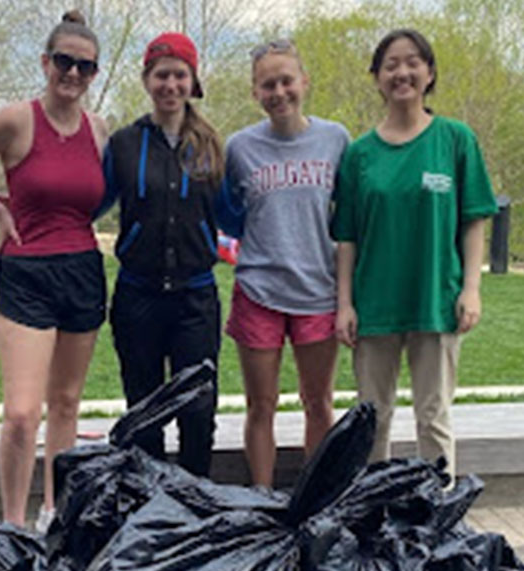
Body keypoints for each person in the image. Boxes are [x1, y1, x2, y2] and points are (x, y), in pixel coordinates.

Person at [0, 10, 108, 530]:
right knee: (21, 414)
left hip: (82, 270)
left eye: (85, 66)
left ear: (95, 74)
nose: (73, 74)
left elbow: (95, 198)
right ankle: (13, 524)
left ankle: (55, 514)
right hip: (27, 273)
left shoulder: (99, 130)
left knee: (68, 403)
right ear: (45, 62)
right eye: (64, 62)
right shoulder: (17, 120)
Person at [332, 28, 497, 484]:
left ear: (429, 73)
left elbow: (473, 220)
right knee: (373, 419)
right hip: (374, 306)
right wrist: (344, 303)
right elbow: (346, 236)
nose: (401, 72)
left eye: (412, 62)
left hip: (435, 300)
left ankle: (438, 514)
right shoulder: (360, 155)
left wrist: (471, 289)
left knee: (433, 416)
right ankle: (372, 514)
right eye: (390, 64)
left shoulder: (455, 140)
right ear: (377, 78)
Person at [216, 39, 349, 487]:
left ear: (304, 82)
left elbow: (347, 219)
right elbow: (225, 212)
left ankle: (317, 495)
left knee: (318, 401)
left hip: (318, 289)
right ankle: (263, 498)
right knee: (261, 405)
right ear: (256, 92)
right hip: (259, 290)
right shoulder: (239, 148)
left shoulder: (335, 139)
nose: (279, 92)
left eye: (286, 81)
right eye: (267, 84)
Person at [97, 32, 224, 477]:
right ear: (147, 80)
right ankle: (149, 504)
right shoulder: (125, 144)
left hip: (195, 298)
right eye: (161, 75)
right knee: (145, 406)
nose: (170, 85)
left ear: (192, 81)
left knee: (198, 407)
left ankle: (196, 500)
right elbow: (93, 201)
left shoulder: (209, 145)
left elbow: (232, 213)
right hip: (138, 297)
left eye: (179, 75)